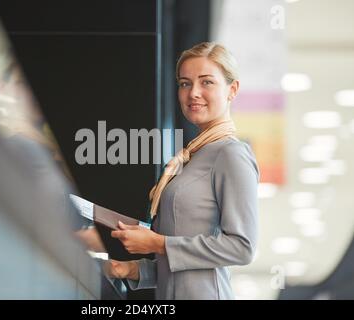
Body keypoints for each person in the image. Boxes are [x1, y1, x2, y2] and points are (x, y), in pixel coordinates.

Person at [107, 42, 259, 299]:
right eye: (185, 83)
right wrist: (132, 269)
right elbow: (184, 263)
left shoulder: (231, 154)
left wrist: (158, 243)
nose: (193, 93)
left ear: (232, 90)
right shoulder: (193, 156)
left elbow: (242, 247)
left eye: (206, 82)